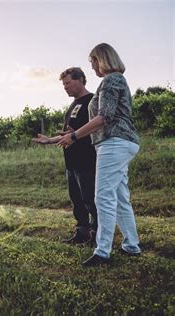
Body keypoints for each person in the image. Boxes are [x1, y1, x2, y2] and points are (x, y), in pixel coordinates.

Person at [57, 43, 141, 267]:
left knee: (103, 197)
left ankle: (102, 251)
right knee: (121, 198)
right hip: (121, 143)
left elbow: (104, 117)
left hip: (113, 143)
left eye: (93, 61)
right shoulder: (115, 81)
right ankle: (131, 245)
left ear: (101, 59)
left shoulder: (112, 80)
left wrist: (74, 136)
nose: (92, 66)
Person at [33, 68, 97, 245]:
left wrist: (75, 134)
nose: (65, 87)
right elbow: (69, 134)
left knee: (90, 200)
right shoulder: (72, 105)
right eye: (63, 84)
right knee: (77, 200)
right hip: (71, 162)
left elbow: (94, 128)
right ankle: (82, 233)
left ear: (81, 80)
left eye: (68, 83)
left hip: (87, 160)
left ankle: (97, 235)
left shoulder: (91, 101)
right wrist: (50, 140)